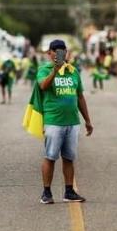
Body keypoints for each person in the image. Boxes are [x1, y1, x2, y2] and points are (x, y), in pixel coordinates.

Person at [37, 39, 93, 204]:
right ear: (49, 53)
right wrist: (55, 71)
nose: (59, 54)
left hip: (72, 122)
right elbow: (43, 86)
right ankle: (46, 193)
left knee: (69, 157)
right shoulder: (43, 70)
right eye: (56, 51)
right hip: (53, 121)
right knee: (50, 156)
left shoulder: (73, 71)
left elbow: (80, 96)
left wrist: (87, 120)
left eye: (62, 51)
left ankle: (69, 191)